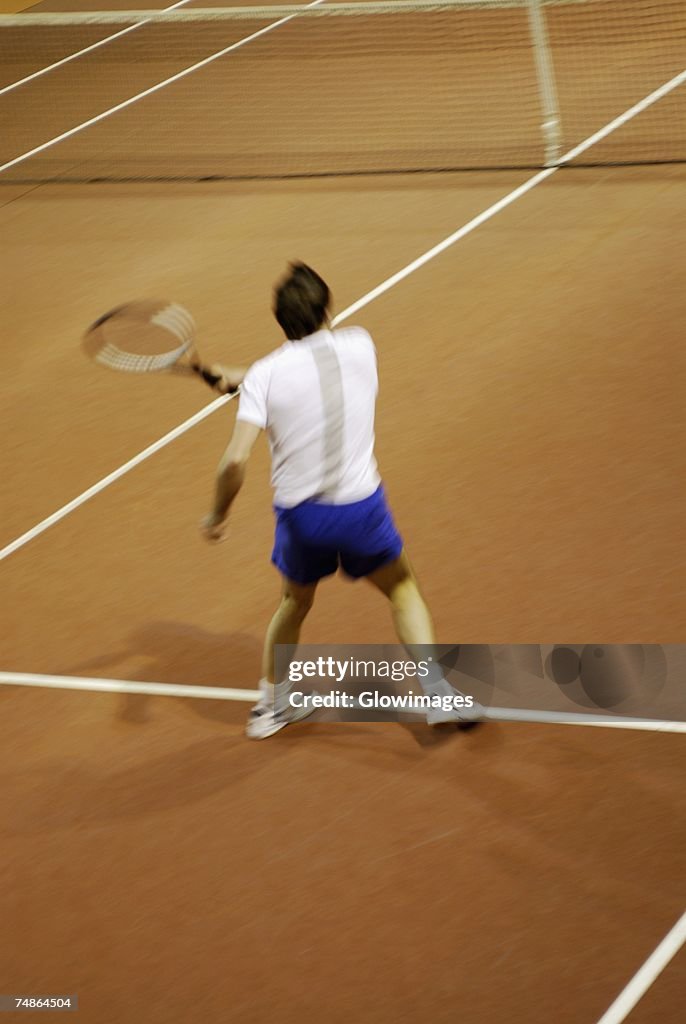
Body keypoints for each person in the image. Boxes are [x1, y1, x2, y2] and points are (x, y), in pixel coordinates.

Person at [201, 263, 479, 738]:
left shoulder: (265, 378)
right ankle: (437, 695)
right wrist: (244, 380)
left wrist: (216, 515)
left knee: (293, 602)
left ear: (280, 320)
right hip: (361, 509)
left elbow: (234, 461)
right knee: (402, 589)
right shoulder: (360, 344)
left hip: (302, 519)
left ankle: (271, 708)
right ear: (327, 307)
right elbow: (312, 372)